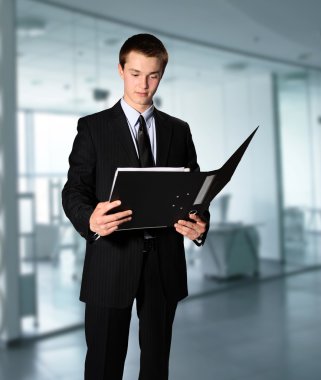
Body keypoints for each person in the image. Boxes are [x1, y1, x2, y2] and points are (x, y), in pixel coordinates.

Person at [62, 33, 209, 380]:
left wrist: (200, 224)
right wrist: (90, 220)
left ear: (162, 74)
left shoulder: (179, 131)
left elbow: (195, 195)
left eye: (153, 75)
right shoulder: (93, 128)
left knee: (157, 365)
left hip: (164, 263)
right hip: (110, 261)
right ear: (121, 70)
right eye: (135, 73)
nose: (144, 84)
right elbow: (74, 190)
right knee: (103, 365)